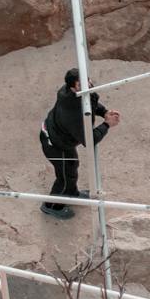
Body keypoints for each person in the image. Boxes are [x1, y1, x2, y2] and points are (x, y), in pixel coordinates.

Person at [39, 68, 118, 218]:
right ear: (73, 87)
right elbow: (90, 139)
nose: (88, 84)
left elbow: (91, 101)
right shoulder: (73, 114)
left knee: (72, 167)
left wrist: (104, 112)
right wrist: (107, 124)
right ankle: (52, 206)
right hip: (55, 145)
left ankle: (71, 193)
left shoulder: (77, 93)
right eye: (82, 84)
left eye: (87, 80)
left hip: (60, 138)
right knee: (65, 176)